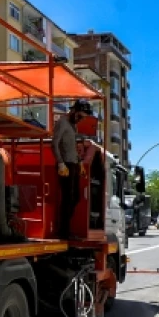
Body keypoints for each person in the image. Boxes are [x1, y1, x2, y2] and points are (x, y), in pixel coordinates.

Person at [53, 100, 90, 238]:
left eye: (83, 117)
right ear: (74, 111)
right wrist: (60, 163)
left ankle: (66, 229)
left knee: (75, 197)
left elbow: (72, 147)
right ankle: (63, 231)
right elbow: (54, 144)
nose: (81, 119)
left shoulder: (73, 127)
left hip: (73, 163)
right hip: (65, 164)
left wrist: (79, 162)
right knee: (68, 197)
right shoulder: (62, 123)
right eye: (80, 116)